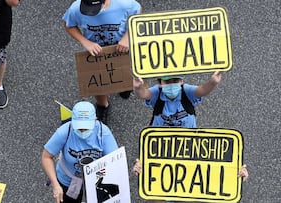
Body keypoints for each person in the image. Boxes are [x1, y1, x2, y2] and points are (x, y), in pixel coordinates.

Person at [132, 72, 249, 202]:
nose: (171, 85)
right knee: (157, 192)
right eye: (167, 82)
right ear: (160, 84)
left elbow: (201, 90)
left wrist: (213, 82)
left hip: (187, 149)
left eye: (175, 80)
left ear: (181, 81)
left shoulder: (186, 92)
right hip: (160, 149)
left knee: (189, 184)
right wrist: (138, 87)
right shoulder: (157, 93)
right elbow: (144, 94)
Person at [62, 0, 142, 124]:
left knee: (124, 72)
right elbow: (68, 24)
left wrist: (127, 37)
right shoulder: (76, 8)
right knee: (98, 84)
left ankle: (124, 87)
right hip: (95, 53)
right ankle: (102, 105)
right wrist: (85, 42)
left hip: (121, 49)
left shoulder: (125, 3)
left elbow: (138, 14)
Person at [42, 101, 118, 203]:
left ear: (95, 120)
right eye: (79, 127)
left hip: (96, 181)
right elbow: (46, 156)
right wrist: (56, 185)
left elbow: (115, 160)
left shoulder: (103, 133)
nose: (82, 131)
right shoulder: (65, 131)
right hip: (68, 180)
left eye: (86, 127)